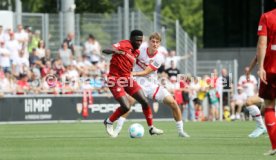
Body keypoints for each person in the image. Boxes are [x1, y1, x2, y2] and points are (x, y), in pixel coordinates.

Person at [113, 32, 189, 137]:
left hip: (152, 85)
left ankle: (181, 131)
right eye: (153, 41)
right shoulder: (140, 51)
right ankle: (117, 130)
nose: (155, 44)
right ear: (149, 42)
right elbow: (130, 56)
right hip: (137, 82)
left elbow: (147, 72)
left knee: (173, 103)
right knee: (129, 102)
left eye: (157, 42)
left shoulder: (159, 57)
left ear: (159, 44)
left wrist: (132, 72)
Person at [102, 30, 163, 137]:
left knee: (144, 101)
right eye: (137, 40)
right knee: (126, 106)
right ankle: (109, 121)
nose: (139, 42)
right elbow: (105, 50)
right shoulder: (124, 44)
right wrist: (116, 52)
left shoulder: (137, 52)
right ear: (131, 39)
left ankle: (151, 128)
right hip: (115, 79)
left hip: (127, 79)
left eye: (141, 40)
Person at [256, 7, 276, 156]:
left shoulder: (267, 17)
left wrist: (261, 66)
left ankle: (275, 145)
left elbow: (262, 43)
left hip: (271, 68)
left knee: (268, 105)